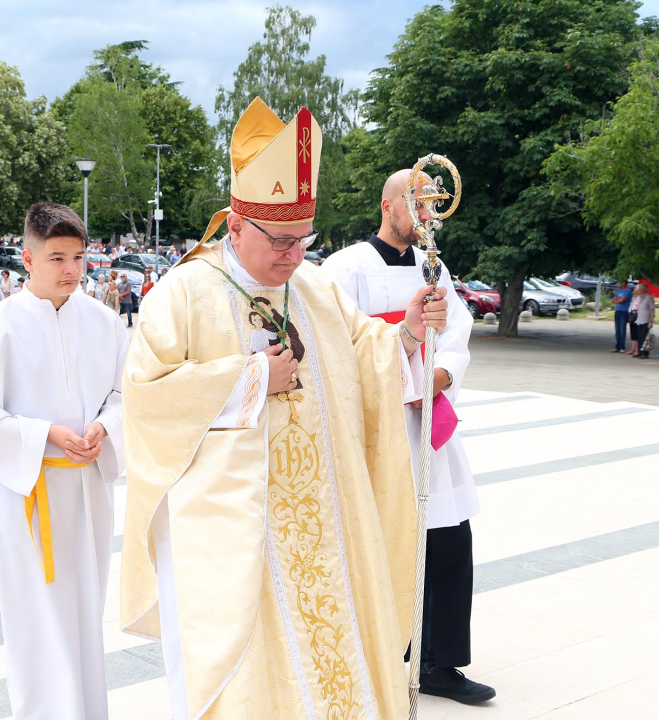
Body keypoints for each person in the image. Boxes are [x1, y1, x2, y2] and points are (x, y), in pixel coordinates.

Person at [121, 98, 448, 719]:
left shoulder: (315, 287)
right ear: (236, 225)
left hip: (326, 520)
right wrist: (249, 379)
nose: (294, 255)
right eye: (280, 241)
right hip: (234, 530)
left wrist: (406, 333)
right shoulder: (182, 293)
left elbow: (366, 354)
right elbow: (148, 396)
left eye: (304, 240)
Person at [322, 168, 493, 705]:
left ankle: (441, 662)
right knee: (383, 537)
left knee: (449, 537)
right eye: (415, 204)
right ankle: (381, 652)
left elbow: (457, 331)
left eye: (431, 206)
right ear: (387, 206)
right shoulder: (344, 268)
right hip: (378, 424)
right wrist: (403, 375)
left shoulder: (433, 266)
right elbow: (338, 344)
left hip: (427, 420)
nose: (424, 216)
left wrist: (439, 375)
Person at [0, 202, 127, 720]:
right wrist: (44, 433)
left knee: (85, 610)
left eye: (78, 257)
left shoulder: (105, 322)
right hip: (23, 493)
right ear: (27, 259)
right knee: (34, 617)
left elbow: (125, 395)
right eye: (57, 258)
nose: (71, 270)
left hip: (87, 490)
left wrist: (105, 426)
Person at [630, 282, 655, 359]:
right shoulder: (640, 298)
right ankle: (640, 352)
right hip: (639, 320)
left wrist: (651, 321)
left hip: (646, 320)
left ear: (643, 289)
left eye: (639, 289)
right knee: (639, 337)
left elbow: (652, 310)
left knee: (645, 337)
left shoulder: (649, 298)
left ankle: (645, 353)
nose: (638, 290)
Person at [612, 280, 633, 353]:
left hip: (624, 312)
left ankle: (622, 347)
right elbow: (613, 300)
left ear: (624, 283)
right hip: (617, 311)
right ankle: (617, 346)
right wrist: (618, 300)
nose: (619, 283)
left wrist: (618, 300)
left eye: (620, 282)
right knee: (617, 330)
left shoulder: (628, 291)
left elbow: (622, 300)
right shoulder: (619, 290)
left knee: (622, 330)